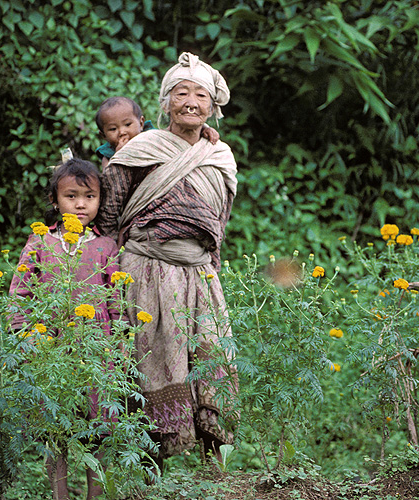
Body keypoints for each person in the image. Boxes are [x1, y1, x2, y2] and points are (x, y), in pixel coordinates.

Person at [97, 52, 238, 467]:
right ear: (165, 102)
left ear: (212, 106)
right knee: (152, 361)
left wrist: (211, 269)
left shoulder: (219, 156)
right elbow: (109, 215)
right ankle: (148, 469)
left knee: (212, 355)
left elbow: (220, 223)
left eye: (201, 94)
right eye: (181, 93)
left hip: (200, 273)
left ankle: (217, 468)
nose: (191, 101)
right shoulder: (141, 148)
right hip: (146, 271)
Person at [9, 157, 121, 500]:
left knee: (97, 427)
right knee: (55, 428)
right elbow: (20, 289)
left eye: (89, 196)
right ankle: (59, 496)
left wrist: (119, 341)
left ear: (100, 200)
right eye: (71, 196)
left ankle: (95, 495)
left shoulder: (106, 246)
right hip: (50, 349)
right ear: (55, 201)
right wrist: (24, 332)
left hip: (95, 350)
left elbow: (116, 298)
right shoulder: (41, 242)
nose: (81, 204)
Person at [94, 95, 220, 170]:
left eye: (128, 125)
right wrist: (119, 156)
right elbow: (109, 180)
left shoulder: (151, 135)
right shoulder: (108, 153)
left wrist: (204, 129)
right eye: (113, 129)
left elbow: (175, 136)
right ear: (103, 135)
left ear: (141, 123)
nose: (122, 132)